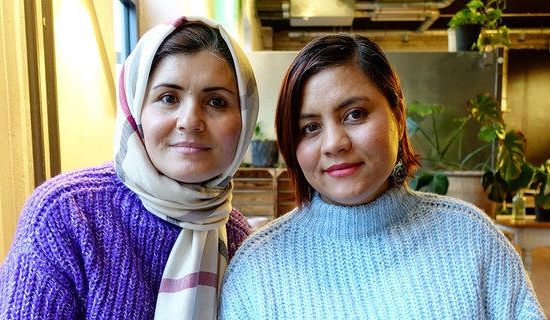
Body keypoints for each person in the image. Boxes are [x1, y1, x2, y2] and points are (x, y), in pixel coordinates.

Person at [218, 33, 546, 319]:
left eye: (355, 114)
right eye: (310, 128)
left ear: (398, 115)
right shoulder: (258, 267)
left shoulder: (471, 238)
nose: (334, 144)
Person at [0, 16, 258, 319]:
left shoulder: (236, 237)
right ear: (136, 107)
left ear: (245, 119)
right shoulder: (67, 214)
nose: (190, 121)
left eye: (217, 102)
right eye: (168, 98)